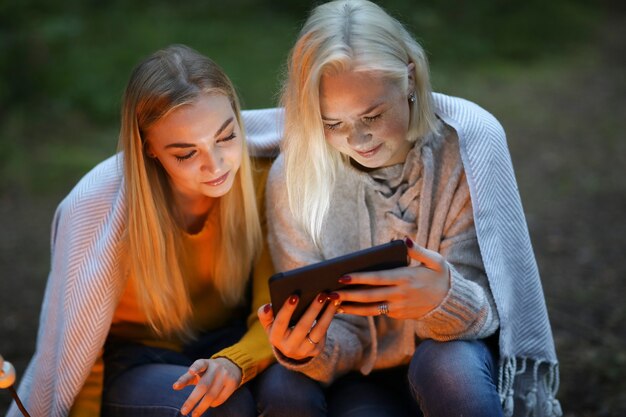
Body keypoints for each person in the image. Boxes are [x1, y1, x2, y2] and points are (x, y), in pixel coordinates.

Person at [256, 1, 561, 417]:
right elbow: (334, 335)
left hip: (456, 354)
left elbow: (492, 311)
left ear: (411, 79)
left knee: (446, 367)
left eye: (373, 114)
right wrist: (309, 347)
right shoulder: (293, 178)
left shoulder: (464, 151)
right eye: (333, 124)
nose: (358, 138)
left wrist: (444, 298)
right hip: (362, 377)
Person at [6, 44, 278, 417]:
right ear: (148, 148)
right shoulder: (104, 215)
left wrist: (236, 361)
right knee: (221, 408)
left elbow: (273, 309)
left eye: (226, 137)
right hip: (136, 359)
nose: (215, 165)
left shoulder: (262, 180)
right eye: (186, 153)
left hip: (226, 340)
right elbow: (80, 343)